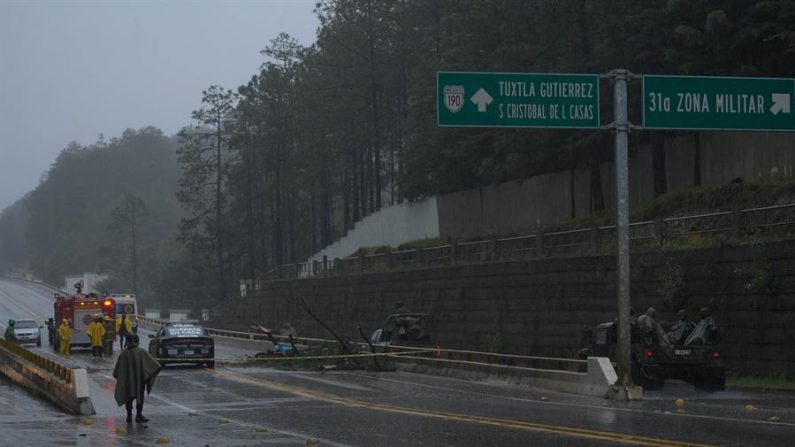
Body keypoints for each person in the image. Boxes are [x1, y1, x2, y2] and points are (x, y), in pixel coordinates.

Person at [113, 333, 161, 423]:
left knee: (128, 398)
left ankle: (129, 416)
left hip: (127, 382)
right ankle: (139, 415)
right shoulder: (141, 352)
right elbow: (153, 365)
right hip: (139, 381)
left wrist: (124, 378)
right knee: (140, 397)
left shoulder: (123, 354)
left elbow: (117, 372)